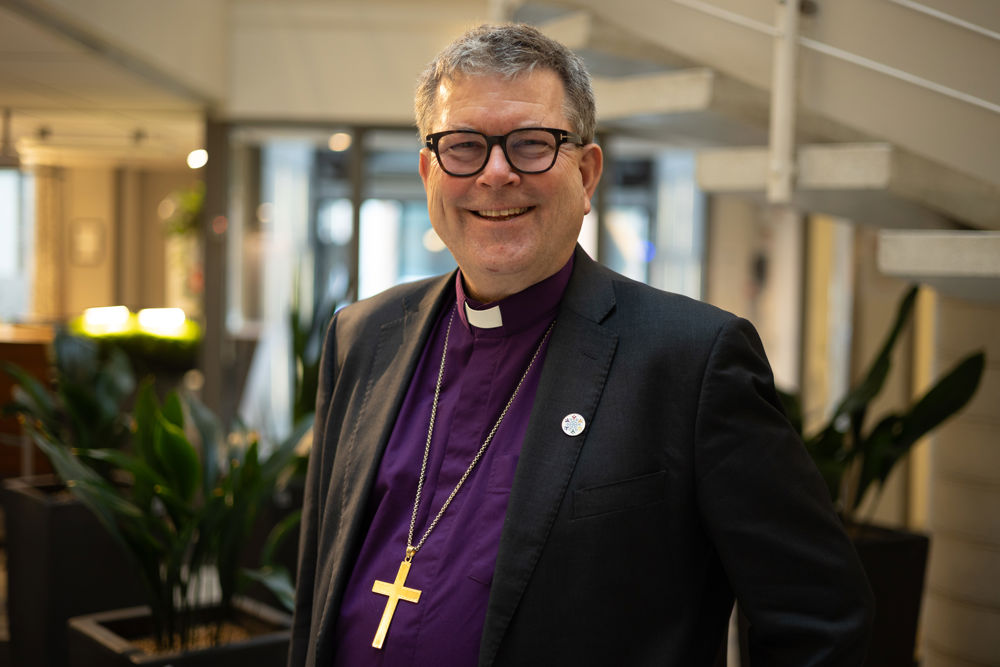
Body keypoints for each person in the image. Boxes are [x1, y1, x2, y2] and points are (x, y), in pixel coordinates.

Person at [289, 23, 873, 667]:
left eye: (533, 145)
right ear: (430, 172)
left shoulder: (691, 361)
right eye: (464, 148)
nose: (497, 174)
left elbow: (821, 624)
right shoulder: (363, 335)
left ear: (587, 174)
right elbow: (319, 581)